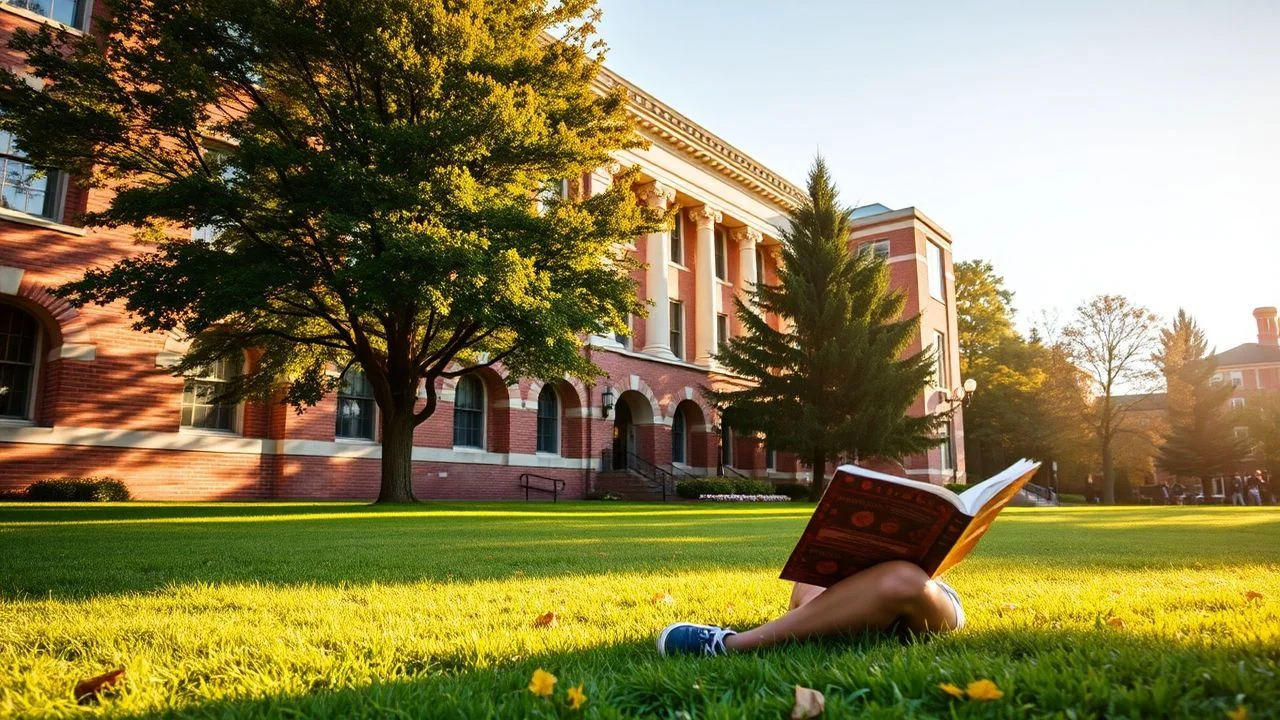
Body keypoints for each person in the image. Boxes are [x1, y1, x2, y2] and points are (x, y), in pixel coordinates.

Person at [656, 563, 964, 656]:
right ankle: (817, 620)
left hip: (931, 594)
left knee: (903, 577)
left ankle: (731, 644)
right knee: (810, 579)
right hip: (847, 584)